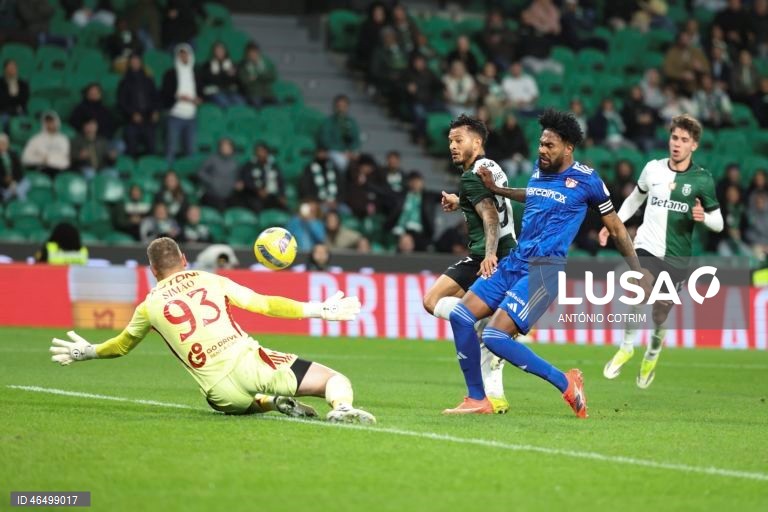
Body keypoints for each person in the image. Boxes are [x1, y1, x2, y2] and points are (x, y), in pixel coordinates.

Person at [445, 109, 653, 417]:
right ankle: (477, 399)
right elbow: (534, 195)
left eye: (550, 146)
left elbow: (617, 228)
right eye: (541, 144)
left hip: (544, 269)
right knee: (461, 315)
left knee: (493, 336)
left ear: (568, 148)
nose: (542, 150)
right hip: (515, 260)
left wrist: (637, 271)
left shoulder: (587, 180)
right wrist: (498, 190)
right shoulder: (539, 170)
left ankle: (565, 382)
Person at [49, 237, 375, 423]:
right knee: (334, 380)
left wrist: (86, 351)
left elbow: (121, 346)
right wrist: (317, 309)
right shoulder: (209, 279)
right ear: (184, 259)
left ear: (152, 270)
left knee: (233, 401)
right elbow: (263, 304)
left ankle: (271, 403)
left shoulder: (147, 306)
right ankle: (342, 408)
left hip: (219, 393)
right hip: (250, 363)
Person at [600, 114, 723, 388]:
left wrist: (704, 217)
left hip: (677, 257)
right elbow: (635, 198)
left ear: (694, 146)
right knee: (638, 286)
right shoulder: (653, 169)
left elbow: (719, 223)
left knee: (659, 314)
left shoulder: (702, 180)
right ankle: (627, 346)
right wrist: (612, 224)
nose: (677, 144)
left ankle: (652, 353)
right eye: (674, 137)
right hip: (646, 246)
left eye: (684, 140)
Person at [423, 115, 519, 414]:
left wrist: (490, 254)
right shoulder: (489, 167)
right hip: (508, 252)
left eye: (459, 140)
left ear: (477, 142)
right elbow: (486, 202)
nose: (452, 146)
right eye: (450, 141)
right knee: (436, 302)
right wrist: (460, 201)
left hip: (489, 255)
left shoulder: (471, 175)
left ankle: (482, 322)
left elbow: (490, 216)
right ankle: (486, 323)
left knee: (433, 301)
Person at [162, 44, 201, 163]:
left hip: (191, 116)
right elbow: (165, 93)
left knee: (191, 149)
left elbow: (202, 90)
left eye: (186, 54)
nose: (184, 56)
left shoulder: (196, 73)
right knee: (171, 149)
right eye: (181, 54)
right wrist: (178, 96)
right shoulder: (170, 73)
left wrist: (200, 98)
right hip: (175, 115)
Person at [21, 111, 70, 180]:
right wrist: (41, 159)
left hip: (62, 170)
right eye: (48, 122)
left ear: (57, 122)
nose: (50, 125)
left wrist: (49, 158)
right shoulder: (36, 139)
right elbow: (25, 158)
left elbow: (65, 158)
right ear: (44, 123)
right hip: (45, 169)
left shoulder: (63, 139)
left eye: (52, 122)